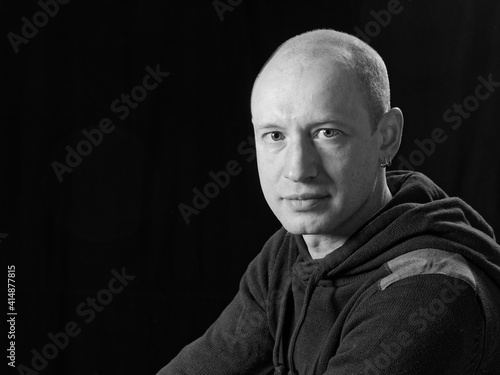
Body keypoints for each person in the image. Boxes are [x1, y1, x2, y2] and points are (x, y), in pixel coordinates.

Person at [156, 29, 500, 374]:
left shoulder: (428, 292)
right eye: (275, 136)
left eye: (327, 132)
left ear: (386, 137)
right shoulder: (287, 256)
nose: (298, 170)